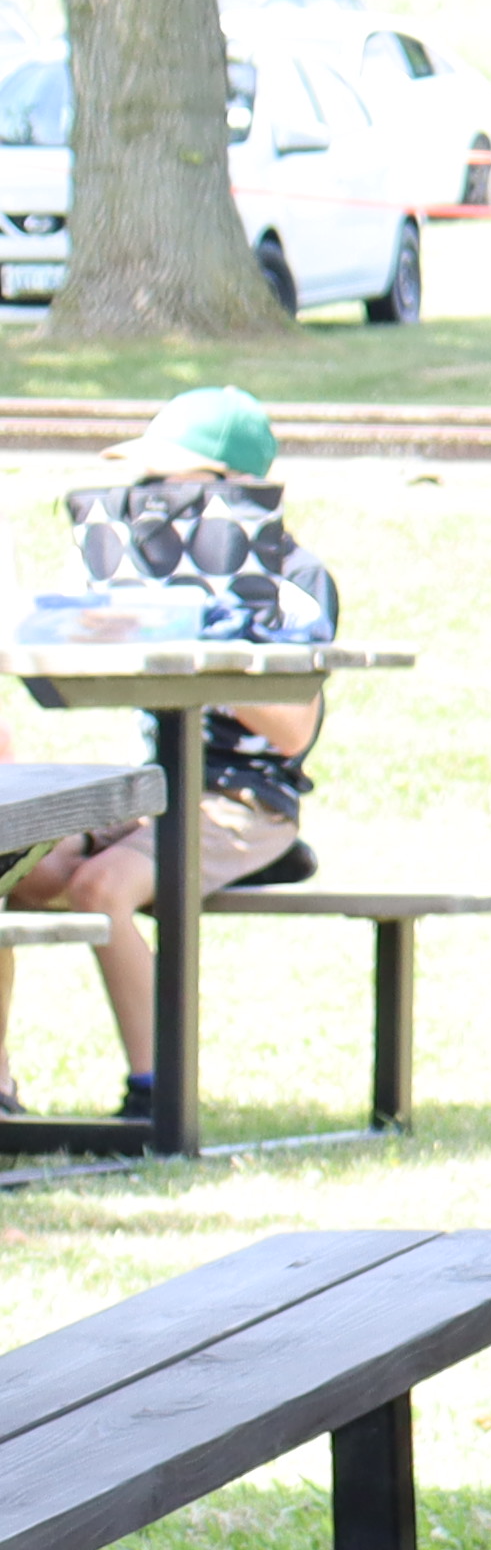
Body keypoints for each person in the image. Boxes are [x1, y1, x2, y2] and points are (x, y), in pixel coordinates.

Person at [3, 386, 334, 1121]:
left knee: (100, 888)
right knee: (14, 870)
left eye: (170, 482)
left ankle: (158, 1092)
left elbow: (291, 732)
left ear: (237, 484)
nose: (151, 498)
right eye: (144, 484)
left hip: (243, 801)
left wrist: (209, 644)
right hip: (156, 793)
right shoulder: (141, 573)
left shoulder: (290, 581)